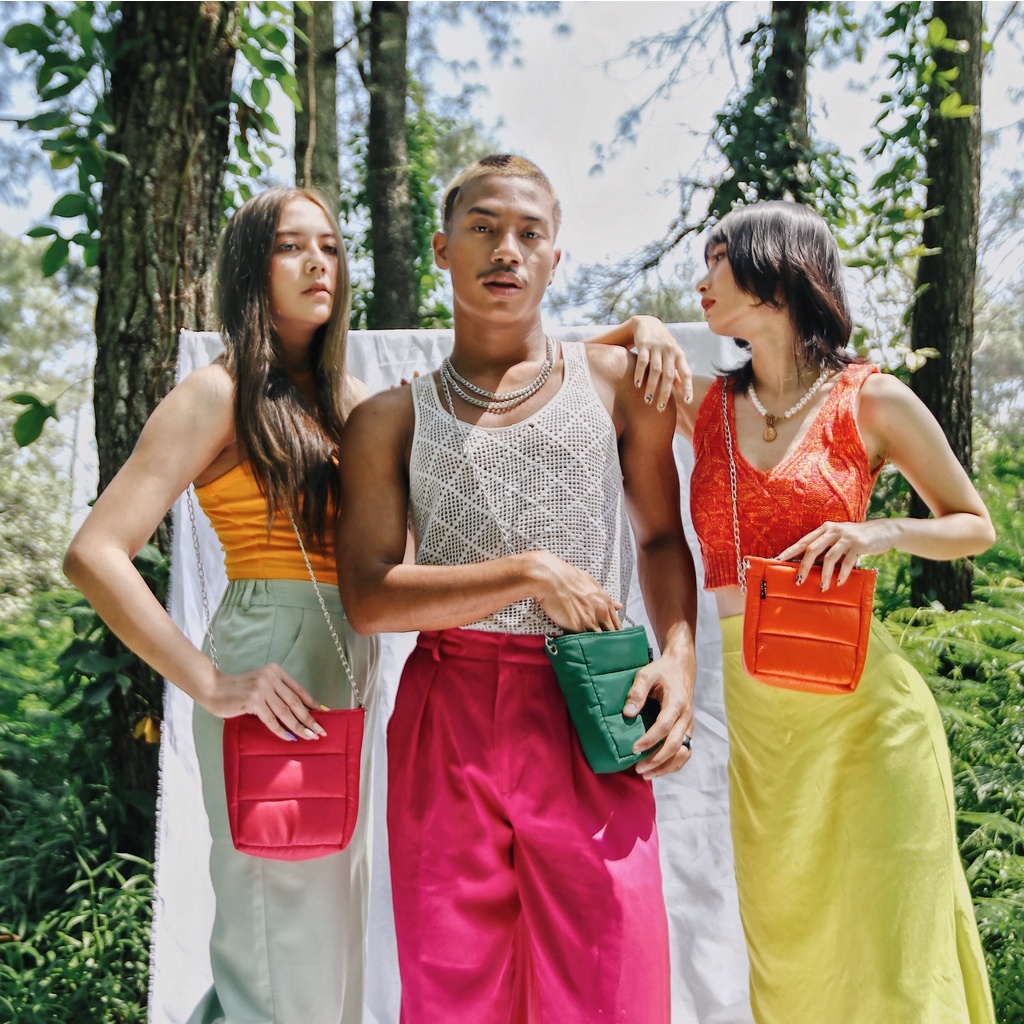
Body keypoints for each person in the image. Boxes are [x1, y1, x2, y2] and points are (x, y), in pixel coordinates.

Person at [336, 154, 698, 1023]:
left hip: (589, 702)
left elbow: (660, 537)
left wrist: (681, 661)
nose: (507, 250)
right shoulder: (388, 418)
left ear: (554, 259)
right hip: (445, 713)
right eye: (483, 227)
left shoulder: (618, 385)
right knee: (451, 993)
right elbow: (371, 599)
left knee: (615, 988)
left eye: (530, 234)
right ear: (441, 248)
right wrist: (529, 572)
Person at [642, 200, 995, 1023]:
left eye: (719, 260)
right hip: (768, 738)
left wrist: (880, 531)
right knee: (791, 965)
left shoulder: (873, 400)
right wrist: (640, 327)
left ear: (775, 273)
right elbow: (595, 362)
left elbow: (972, 525)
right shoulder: (701, 404)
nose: (701, 282)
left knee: (897, 963)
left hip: (872, 720)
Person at [64, 186, 381, 1024]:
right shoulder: (217, 392)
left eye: (331, 246)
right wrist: (209, 682)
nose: (319, 263)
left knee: (324, 960)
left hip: (348, 670)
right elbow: (95, 553)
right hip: (272, 662)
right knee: (281, 959)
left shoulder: (347, 401)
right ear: (249, 269)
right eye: (291, 246)